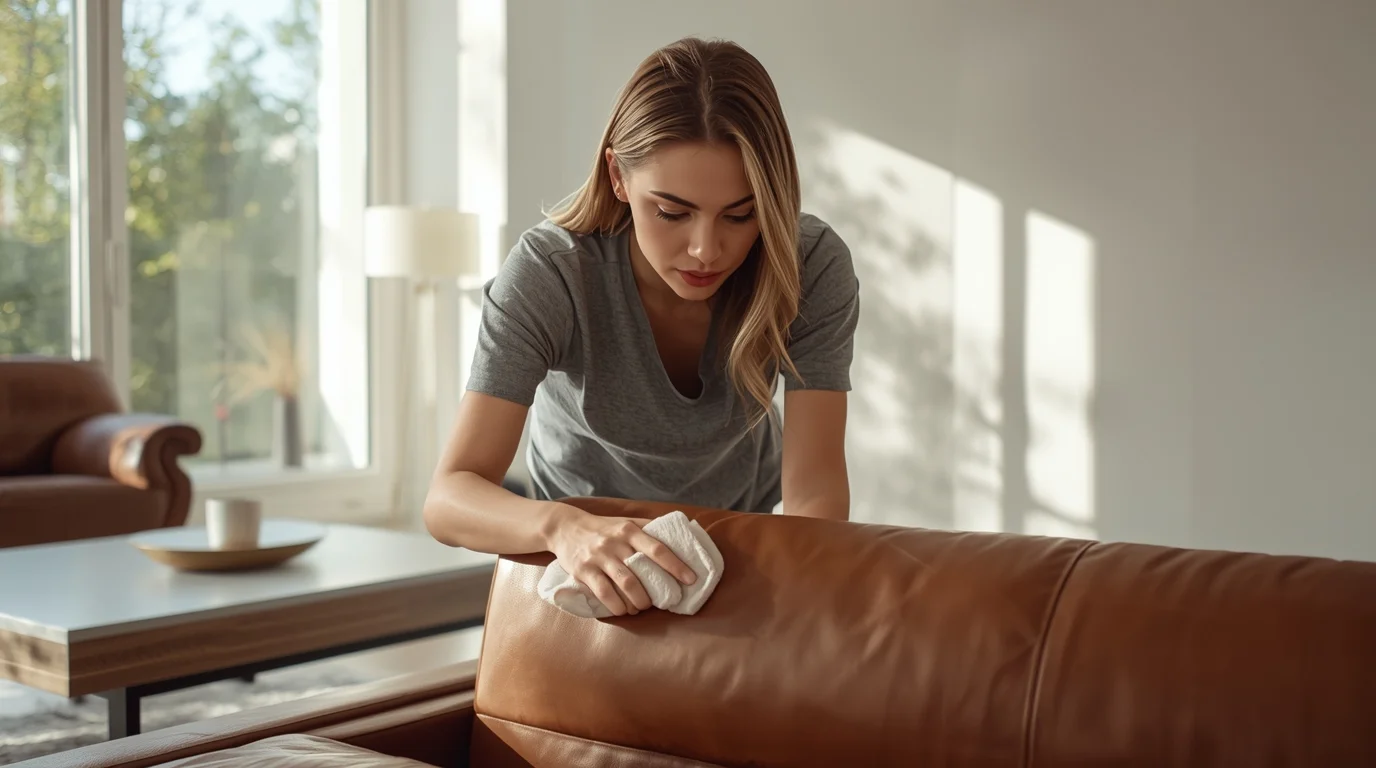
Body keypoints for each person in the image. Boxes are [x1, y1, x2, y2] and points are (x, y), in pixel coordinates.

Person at [423, 37, 860, 617]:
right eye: (672, 212)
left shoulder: (809, 265)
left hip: (741, 538)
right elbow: (449, 498)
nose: (706, 250)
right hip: (581, 553)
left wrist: (795, 607)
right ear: (618, 177)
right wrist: (562, 526)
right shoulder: (553, 275)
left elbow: (815, 494)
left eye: (741, 213)